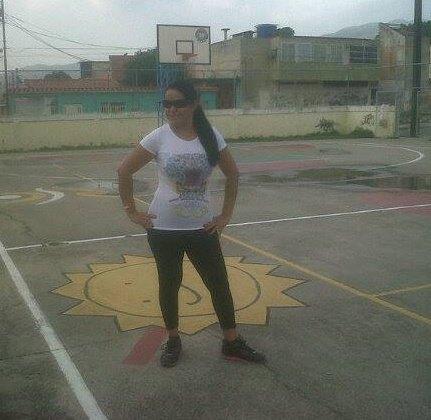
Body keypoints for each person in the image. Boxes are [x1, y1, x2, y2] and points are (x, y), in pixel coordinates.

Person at [117, 79, 265, 368]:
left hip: (202, 229)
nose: (172, 109)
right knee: (169, 285)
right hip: (163, 229)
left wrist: (225, 216)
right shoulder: (158, 137)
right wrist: (132, 211)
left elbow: (233, 174)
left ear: (194, 104)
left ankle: (231, 342)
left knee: (219, 284)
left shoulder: (211, 136)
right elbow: (124, 171)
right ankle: (173, 340)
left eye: (179, 103)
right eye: (167, 104)